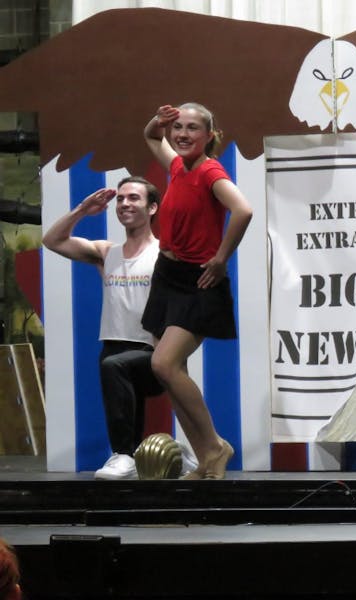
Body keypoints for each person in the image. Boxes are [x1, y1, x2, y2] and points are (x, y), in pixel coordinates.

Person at [42, 176, 197, 480]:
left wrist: (172, 349)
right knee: (116, 372)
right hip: (114, 345)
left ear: (152, 208)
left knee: (116, 367)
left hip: (154, 351)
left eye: (134, 198)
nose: (125, 204)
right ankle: (136, 458)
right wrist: (81, 211)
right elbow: (52, 240)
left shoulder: (164, 254)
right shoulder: (106, 253)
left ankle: (125, 455)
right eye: (121, 199)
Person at [143, 102, 253, 480]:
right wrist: (159, 120)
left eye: (192, 128)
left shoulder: (209, 171)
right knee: (170, 371)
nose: (182, 134)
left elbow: (243, 210)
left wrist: (222, 258)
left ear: (209, 136)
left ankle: (215, 446)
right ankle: (206, 459)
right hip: (167, 275)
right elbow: (150, 135)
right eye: (178, 128)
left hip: (198, 281)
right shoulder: (177, 166)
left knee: (163, 363)